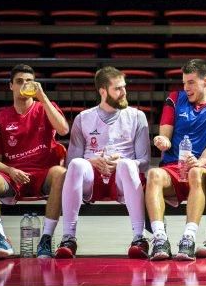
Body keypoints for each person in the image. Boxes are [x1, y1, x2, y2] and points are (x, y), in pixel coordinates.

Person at [55, 67, 151, 259]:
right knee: (77, 165)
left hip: (122, 178)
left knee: (127, 165)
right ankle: (68, 238)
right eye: (118, 89)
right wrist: (91, 161)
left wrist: (123, 161)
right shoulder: (83, 118)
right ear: (103, 91)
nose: (124, 92)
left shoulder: (137, 116)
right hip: (92, 177)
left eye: (124, 87)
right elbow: (71, 161)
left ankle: (139, 238)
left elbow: (145, 162)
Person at [145, 59, 206, 261]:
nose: (186, 88)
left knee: (195, 172)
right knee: (153, 175)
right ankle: (160, 238)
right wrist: (162, 141)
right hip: (173, 168)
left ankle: (188, 238)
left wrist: (201, 162)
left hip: (202, 170)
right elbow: (165, 135)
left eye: (191, 82)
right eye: (184, 83)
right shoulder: (175, 98)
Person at [0, 64, 69, 259]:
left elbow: (63, 130)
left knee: (61, 173)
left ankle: (45, 240)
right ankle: (0, 238)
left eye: (29, 81)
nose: (24, 85)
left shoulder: (46, 107)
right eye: (19, 81)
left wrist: (43, 98)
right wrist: (10, 171)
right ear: (10, 85)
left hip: (43, 173)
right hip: (13, 175)